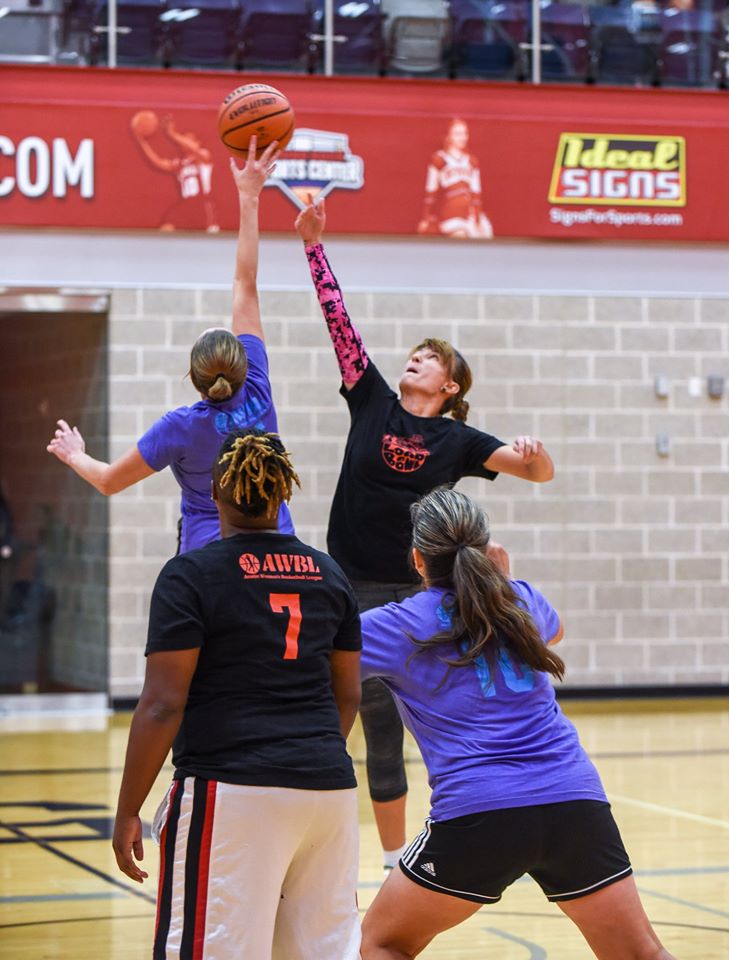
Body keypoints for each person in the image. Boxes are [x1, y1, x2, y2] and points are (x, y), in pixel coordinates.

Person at [294, 197, 555, 870]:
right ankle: (301, 834)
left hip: (405, 596)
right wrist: (314, 246)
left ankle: (387, 862)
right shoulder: (371, 398)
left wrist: (538, 452)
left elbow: (535, 473)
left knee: (384, 728)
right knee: (317, 710)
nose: (414, 359)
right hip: (339, 580)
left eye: (428, 358)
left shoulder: (459, 439)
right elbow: (339, 322)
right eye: (413, 354)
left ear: (450, 385)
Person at [359, 487, 677, 960]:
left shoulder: (393, 625)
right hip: (575, 801)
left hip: (479, 811)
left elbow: (320, 657)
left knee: (383, 942)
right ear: (486, 551)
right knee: (641, 953)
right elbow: (555, 627)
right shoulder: (520, 598)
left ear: (418, 559)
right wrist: (502, 582)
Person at [111, 428, 362, 960]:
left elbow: (162, 703)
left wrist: (128, 808)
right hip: (329, 793)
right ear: (282, 493)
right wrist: (307, 753)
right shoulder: (331, 574)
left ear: (215, 494)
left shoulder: (190, 575)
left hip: (233, 790)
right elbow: (349, 695)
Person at [47, 138, 293, 555]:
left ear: (196, 381)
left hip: (208, 558)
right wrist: (249, 195)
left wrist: (75, 456)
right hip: (278, 549)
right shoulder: (258, 386)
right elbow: (245, 284)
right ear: (241, 363)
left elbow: (107, 480)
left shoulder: (180, 427)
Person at [132, 111, 220, 233]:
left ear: (197, 142)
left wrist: (172, 134)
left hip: (203, 205)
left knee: (207, 241)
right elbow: (157, 161)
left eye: (188, 139)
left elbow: (193, 148)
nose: (184, 142)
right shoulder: (180, 164)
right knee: (167, 227)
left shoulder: (203, 156)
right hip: (186, 204)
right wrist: (142, 141)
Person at [416, 118, 493, 239]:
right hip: (451, 214)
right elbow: (431, 192)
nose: (463, 137)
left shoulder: (472, 161)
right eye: (458, 134)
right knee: (460, 239)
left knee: (485, 236)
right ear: (448, 136)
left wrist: (478, 220)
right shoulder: (439, 159)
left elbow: (476, 193)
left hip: (469, 214)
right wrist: (426, 218)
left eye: (465, 133)